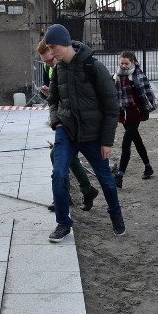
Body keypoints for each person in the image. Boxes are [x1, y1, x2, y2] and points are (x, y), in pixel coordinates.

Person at [44, 24, 126, 242]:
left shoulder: (93, 66)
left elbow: (112, 108)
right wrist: (57, 123)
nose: (51, 54)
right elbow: (53, 100)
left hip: (92, 135)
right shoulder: (59, 69)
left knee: (106, 179)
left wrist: (106, 141)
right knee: (59, 174)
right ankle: (63, 223)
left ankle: (116, 215)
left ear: (64, 43)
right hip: (66, 132)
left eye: (53, 48)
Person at [36, 40, 99, 212]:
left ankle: (73, 194)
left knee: (58, 157)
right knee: (61, 157)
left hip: (79, 124)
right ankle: (82, 192)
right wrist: (48, 94)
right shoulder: (51, 67)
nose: (48, 63)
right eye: (45, 62)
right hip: (64, 123)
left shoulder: (70, 66)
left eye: (50, 60)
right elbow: (54, 99)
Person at [113, 51, 157, 188]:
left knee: (126, 142)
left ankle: (120, 175)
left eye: (126, 63)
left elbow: (146, 92)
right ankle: (148, 166)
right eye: (121, 63)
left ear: (133, 62)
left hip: (136, 112)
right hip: (124, 112)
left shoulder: (138, 75)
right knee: (136, 139)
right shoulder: (116, 75)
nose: (124, 66)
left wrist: (149, 106)